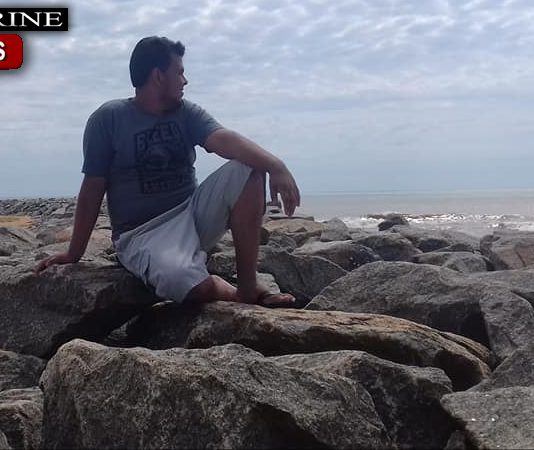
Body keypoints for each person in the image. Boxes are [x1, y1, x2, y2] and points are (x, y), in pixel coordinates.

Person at [34, 36, 300, 307]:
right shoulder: (108, 119)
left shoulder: (185, 112)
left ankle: (247, 288)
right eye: (179, 72)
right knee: (186, 283)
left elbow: (224, 140)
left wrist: (275, 166)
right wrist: (74, 253)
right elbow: (92, 189)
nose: (185, 81)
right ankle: (226, 290)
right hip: (142, 233)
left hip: (191, 213)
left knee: (249, 167)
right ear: (158, 76)